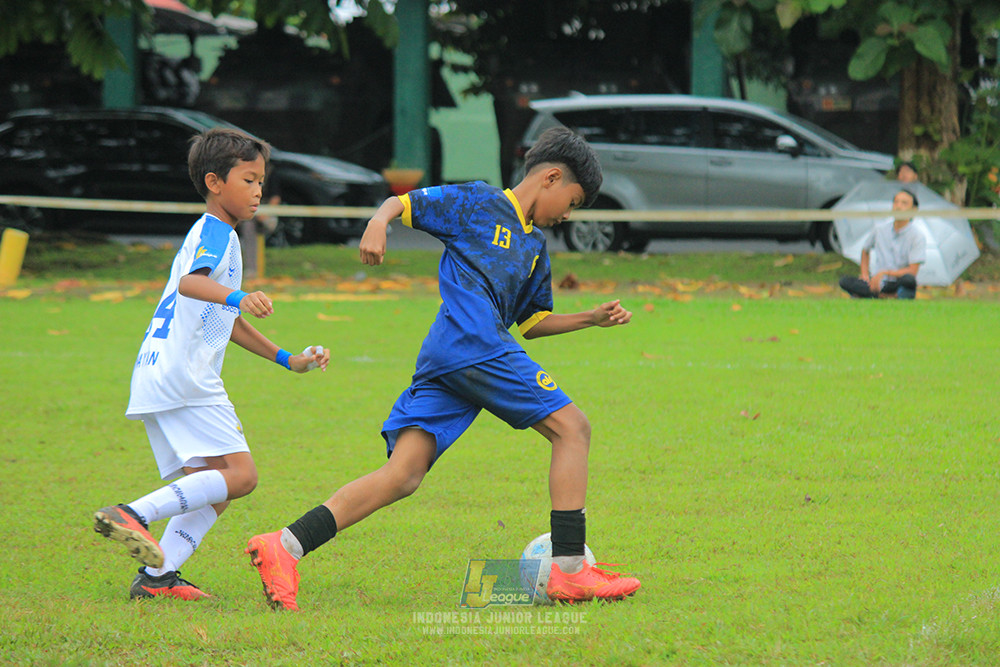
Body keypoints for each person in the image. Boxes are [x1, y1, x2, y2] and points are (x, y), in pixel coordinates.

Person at [245, 127, 642, 611]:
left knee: (403, 474)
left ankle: (283, 546)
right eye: (572, 201)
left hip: (454, 357)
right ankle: (570, 569)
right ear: (552, 177)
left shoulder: (535, 247)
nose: (567, 216)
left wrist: (591, 318)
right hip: (472, 346)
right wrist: (378, 221)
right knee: (573, 429)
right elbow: (404, 204)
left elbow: (533, 323)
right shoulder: (477, 202)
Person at [93, 127, 331, 601]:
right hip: (186, 373)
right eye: (248, 179)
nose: (259, 190)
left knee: (216, 487)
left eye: (262, 180)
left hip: (161, 368)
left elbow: (222, 316)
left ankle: (158, 578)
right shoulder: (217, 233)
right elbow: (191, 284)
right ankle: (131, 514)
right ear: (215, 182)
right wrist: (241, 294)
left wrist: (288, 359)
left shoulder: (215, 234)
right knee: (242, 476)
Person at [839, 189, 926, 299]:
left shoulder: (917, 236)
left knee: (909, 280)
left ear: (913, 210)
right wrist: (865, 274)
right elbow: (865, 250)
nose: (898, 206)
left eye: (904, 203)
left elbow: (912, 271)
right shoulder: (880, 229)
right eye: (896, 202)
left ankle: (875, 295)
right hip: (877, 282)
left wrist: (885, 273)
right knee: (845, 281)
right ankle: (882, 295)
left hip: (897, 281)